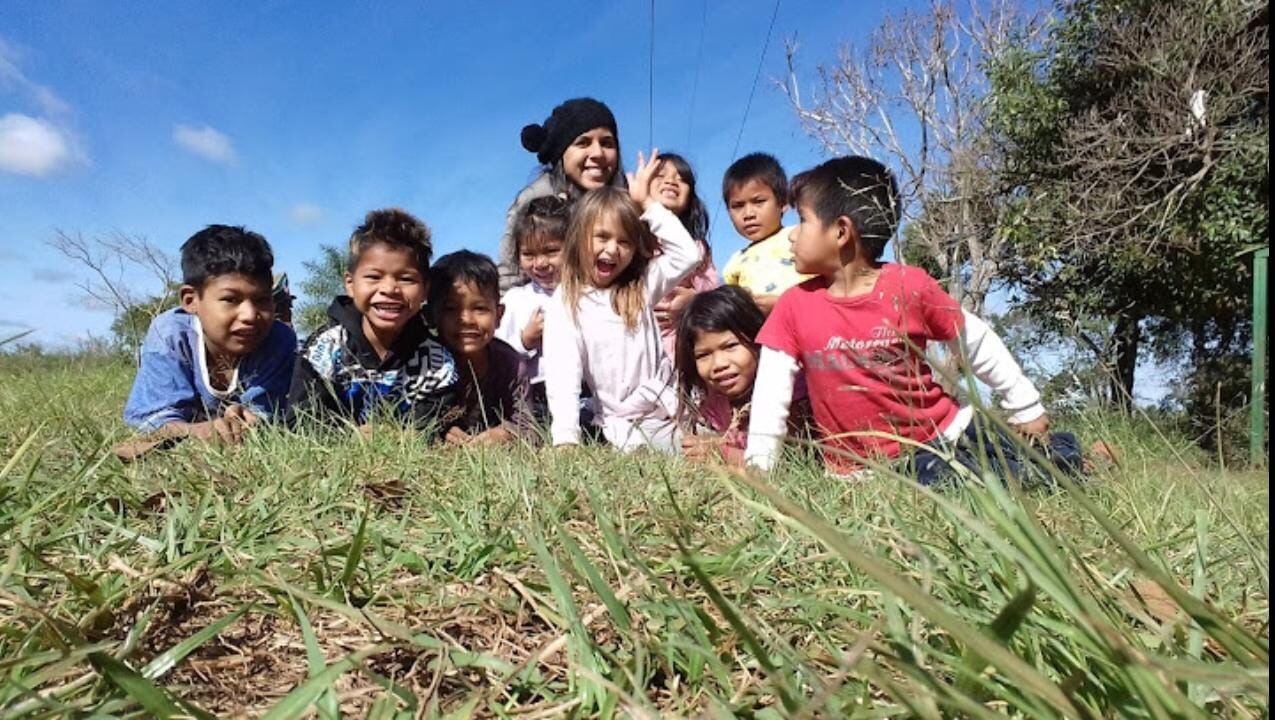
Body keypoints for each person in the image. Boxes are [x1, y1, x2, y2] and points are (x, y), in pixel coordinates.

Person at [745, 156, 1084, 484]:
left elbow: (975, 341)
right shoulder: (793, 306)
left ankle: (1079, 455)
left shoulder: (910, 287)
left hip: (949, 433)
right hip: (866, 470)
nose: (791, 235)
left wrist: (1025, 406)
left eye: (802, 221)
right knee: (957, 480)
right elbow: (770, 393)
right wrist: (760, 467)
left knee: (1033, 460)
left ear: (841, 231)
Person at [542, 149, 701, 452]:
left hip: (670, 408)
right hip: (621, 424)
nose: (613, 250)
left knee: (702, 445)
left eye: (624, 241)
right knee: (648, 452)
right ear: (578, 238)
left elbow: (688, 254)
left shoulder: (639, 286)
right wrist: (565, 439)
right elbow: (564, 372)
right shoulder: (567, 300)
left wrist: (648, 203)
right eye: (601, 237)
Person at [120, 225, 296, 454]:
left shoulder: (280, 340)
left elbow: (269, 414)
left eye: (262, 300)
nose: (250, 315)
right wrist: (195, 431)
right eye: (231, 299)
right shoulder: (171, 335)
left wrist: (249, 420)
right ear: (190, 300)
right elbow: (152, 417)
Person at [288, 208, 459, 433]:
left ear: (425, 290)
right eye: (374, 277)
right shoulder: (325, 347)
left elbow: (431, 429)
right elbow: (299, 421)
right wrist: (351, 436)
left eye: (406, 278)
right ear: (350, 284)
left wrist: (398, 437)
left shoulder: (437, 364)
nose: (389, 289)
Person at [497, 97, 626, 291]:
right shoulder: (535, 200)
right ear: (560, 154)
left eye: (607, 143)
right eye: (583, 143)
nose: (598, 153)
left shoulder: (628, 199)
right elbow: (509, 274)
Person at [674, 285, 809, 467]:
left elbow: (788, 460)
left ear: (758, 341)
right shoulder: (715, 400)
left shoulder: (788, 391)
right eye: (703, 355)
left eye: (730, 346)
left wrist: (722, 453)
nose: (719, 364)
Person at [430, 250, 534, 445]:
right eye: (451, 309)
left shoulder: (511, 365)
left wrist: (505, 434)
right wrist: (440, 431)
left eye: (480, 309)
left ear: (499, 315)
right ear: (434, 315)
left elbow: (529, 427)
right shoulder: (426, 361)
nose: (467, 320)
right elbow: (410, 416)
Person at [495, 195, 568, 420]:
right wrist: (526, 340)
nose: (540, 263)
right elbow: (497, 354)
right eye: (529, 255)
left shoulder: (584, 295)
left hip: (581, 390)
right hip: (534, 394)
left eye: (551, 251)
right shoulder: (515, 300)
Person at [719, 152, 811, 316]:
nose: (748, 214)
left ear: (783, 203)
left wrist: (784, 306)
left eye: (759, 201)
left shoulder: (800, 237)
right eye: (738, 206)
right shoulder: (734, 262)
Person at [649, 152, 721, 359]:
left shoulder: (698, 247)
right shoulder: (631, 240)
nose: (671, 181)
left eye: (682, 179)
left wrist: (693, 300)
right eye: (660, 175)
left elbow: (712, 291)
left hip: (681, 344)